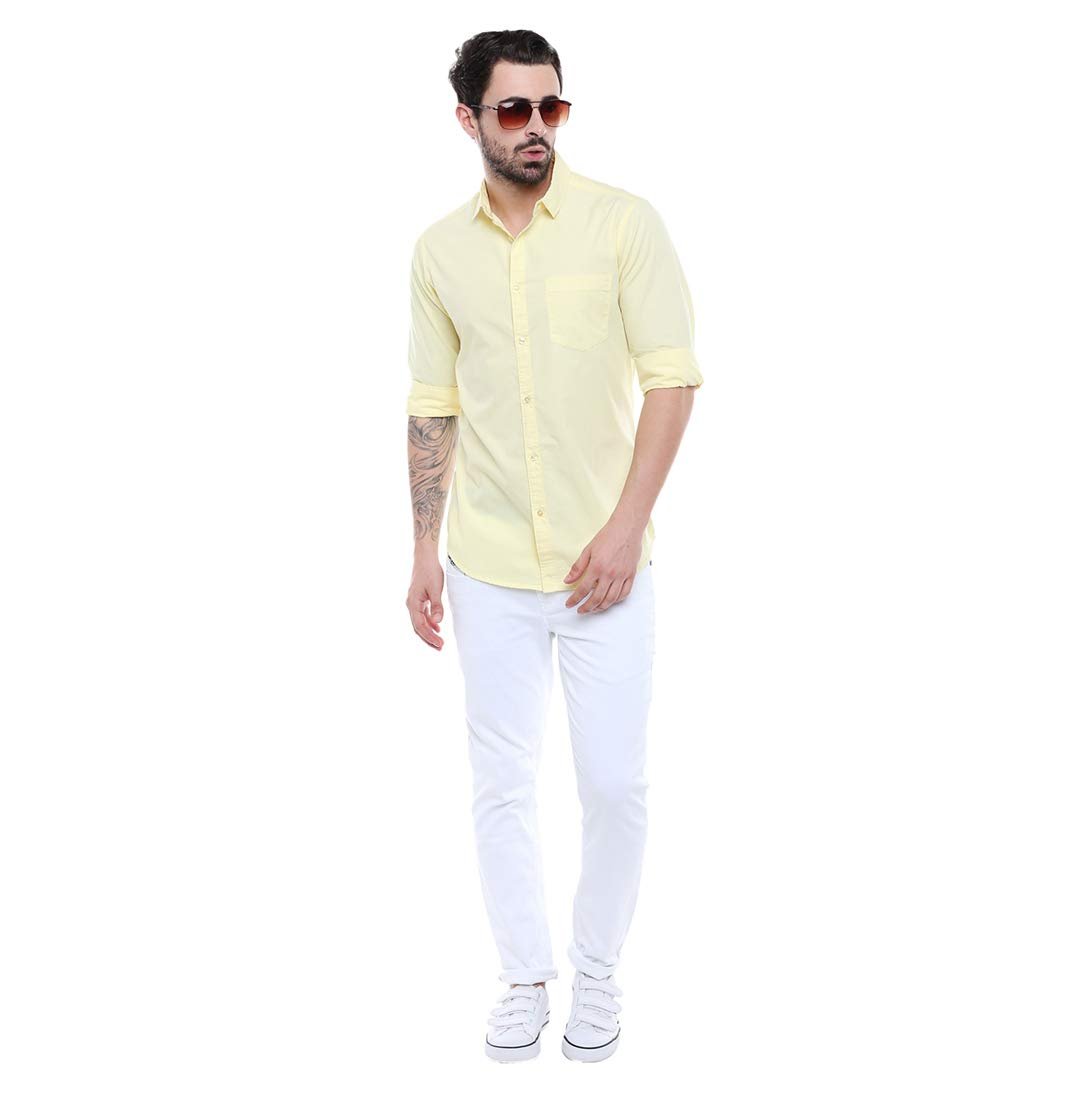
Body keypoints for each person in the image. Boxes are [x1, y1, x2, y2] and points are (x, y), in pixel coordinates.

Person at [404, 29, 703, 1063]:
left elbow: (672, 379)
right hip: (485, 566)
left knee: (613, 782)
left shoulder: (624, 225)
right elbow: (432, 404)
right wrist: (422, 549)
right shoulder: (438, 253)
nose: (537, 127)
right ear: (469, 119)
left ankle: (599, 968)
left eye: (552, 107)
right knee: (501, 782)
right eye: (514, 109)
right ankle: (524, 975)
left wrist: (622, 529)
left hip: (604, 571)